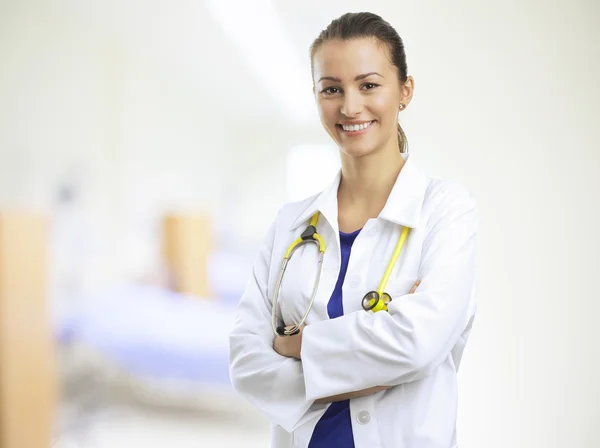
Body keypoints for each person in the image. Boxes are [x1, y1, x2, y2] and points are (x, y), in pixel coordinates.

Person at [229, 11, 478, 448]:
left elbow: (417, 344)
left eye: (368, 85)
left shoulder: (445, 212)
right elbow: (246, 364)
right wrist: (370, 365)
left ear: (404, 91)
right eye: (331, 89)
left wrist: (294, 346)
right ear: (316, 95)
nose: (349, 106)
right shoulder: (290, 224)